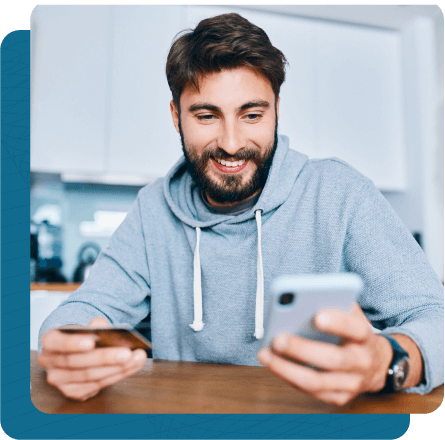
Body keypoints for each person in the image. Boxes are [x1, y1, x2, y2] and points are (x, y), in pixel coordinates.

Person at [37, 13, 444, 405]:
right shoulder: (153, 208)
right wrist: (63, 344)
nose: (232, 143)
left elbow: (434, 317)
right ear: (176, 116)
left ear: (277, 111)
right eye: (207, 115)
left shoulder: (339, 193)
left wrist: (387, 363)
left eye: (251, 115)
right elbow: (85, 309)